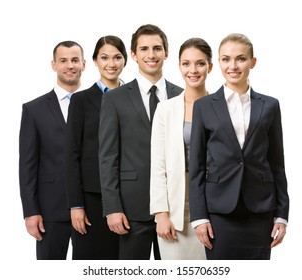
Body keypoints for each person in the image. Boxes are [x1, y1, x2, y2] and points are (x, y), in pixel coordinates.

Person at [189, 33, 289, 260]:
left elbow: (277, 163)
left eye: (241, 59)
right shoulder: (204, 106)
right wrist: (199, 217)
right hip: (219, 212)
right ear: (218, 63)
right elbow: (196, 167)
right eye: (226, 59)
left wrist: (281, 215)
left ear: (253, 62)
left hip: (261, 210)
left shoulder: (270, 105)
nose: (233, 66)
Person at [98, 24, 183, 260]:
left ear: (166, 52)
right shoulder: (114, 99)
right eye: (144, 49)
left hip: (175, 206)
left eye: (157, 48)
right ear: (133, 55)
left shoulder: (182, 95)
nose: (151, 54)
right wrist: (112, 208)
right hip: (133, 207)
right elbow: (107, 157)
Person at [19, 41, 86, 259]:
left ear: (84, 64)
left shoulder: (101, 104)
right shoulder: (34, 109)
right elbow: (27, 166)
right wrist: (30, 211)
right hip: (49, 209)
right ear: (53, 65)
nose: (70, 65)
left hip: (90, 208)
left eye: (75, 60)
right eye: (63, 60)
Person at [149, 38, 212, 260]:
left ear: (210, 67)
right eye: (186, 64)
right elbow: (158, 165)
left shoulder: (221, 107)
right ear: (179, 66)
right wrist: (161, 214)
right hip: (175, 205)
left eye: (200, 63)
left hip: (213, 204)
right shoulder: (165, 109)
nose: (193, 70)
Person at [66, 35, 127, 260]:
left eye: (117, 57)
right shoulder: (81, 101)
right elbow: (71, 155)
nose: (111, 63)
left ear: (125, 60)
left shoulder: (134, 96)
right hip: (91, 198)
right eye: (104, 57)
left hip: (129, 195)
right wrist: (76, 205)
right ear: (94, 61)